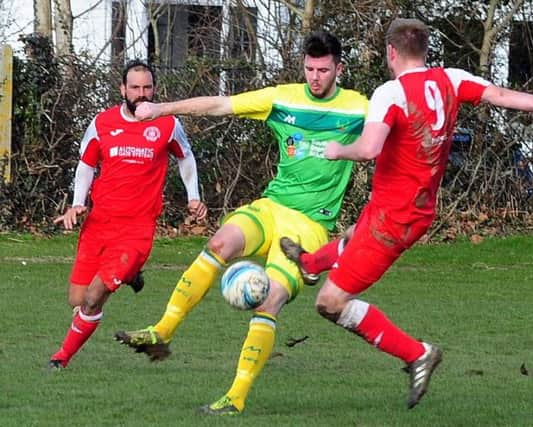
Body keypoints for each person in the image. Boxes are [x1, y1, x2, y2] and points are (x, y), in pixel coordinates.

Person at [281, 18, 533, 410]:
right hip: (416, 209)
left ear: (391, 52)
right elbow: (505, 95)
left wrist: (338, 150)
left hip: (392, 218)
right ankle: (309, 263)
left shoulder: (390, 93)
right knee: (354, 233)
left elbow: (371, 148)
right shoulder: (451, 79)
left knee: (330, 303)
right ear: (425, 50)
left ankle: (416, 353)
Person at [114, 32, 368, 415]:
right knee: (220, 244)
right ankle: (162, 329)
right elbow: (220, 104)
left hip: (310, 226)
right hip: (272, 206)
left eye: (323, 70)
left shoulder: (359, 108)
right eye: (309, 68)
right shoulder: (282, 97)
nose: (315, 77)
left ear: (339, 69)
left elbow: (399, 131)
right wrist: (162, 108)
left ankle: (235, 396)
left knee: (269, 302)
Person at [48, 59, 207, 370]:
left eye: (147, 87)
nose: (141, 93)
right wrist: (77, 203)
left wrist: (194, 198)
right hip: (98, 224)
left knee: (94, 297)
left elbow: (185, 158)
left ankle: (60, 358)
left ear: (155, 89)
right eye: (135, 87)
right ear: (123, 89)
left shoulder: (167, 123)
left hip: (136, 230)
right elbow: (86, 165)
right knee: (78, 300)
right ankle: (130, 275)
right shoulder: (102, 122)